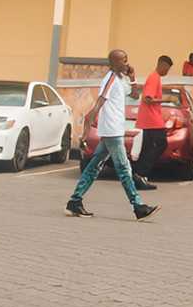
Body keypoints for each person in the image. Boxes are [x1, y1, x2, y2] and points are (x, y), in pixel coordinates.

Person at [66, 49, 160, 221]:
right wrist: (85, 133)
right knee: (124, 168)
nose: (126, 63)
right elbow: (97, 105)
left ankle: (75, 201)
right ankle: (138, 206)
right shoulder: (109, 80)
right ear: (113, 63)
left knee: (94, 167)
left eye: (127, 59)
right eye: (123, 60)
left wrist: (132, 78)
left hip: (115, 129)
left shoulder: (121, 79)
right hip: (111, 131)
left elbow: (134, 95)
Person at [132, 55, 172, 189]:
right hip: (151, 119)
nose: (167, 71)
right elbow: (147, 99)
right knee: (161, 143)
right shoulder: (154, 77)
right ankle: (140, 173)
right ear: (162, 64)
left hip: (149, 118)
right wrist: (165, 100)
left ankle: (139, 176)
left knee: (148, 147)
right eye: (167, 68)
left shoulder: (155, 78)